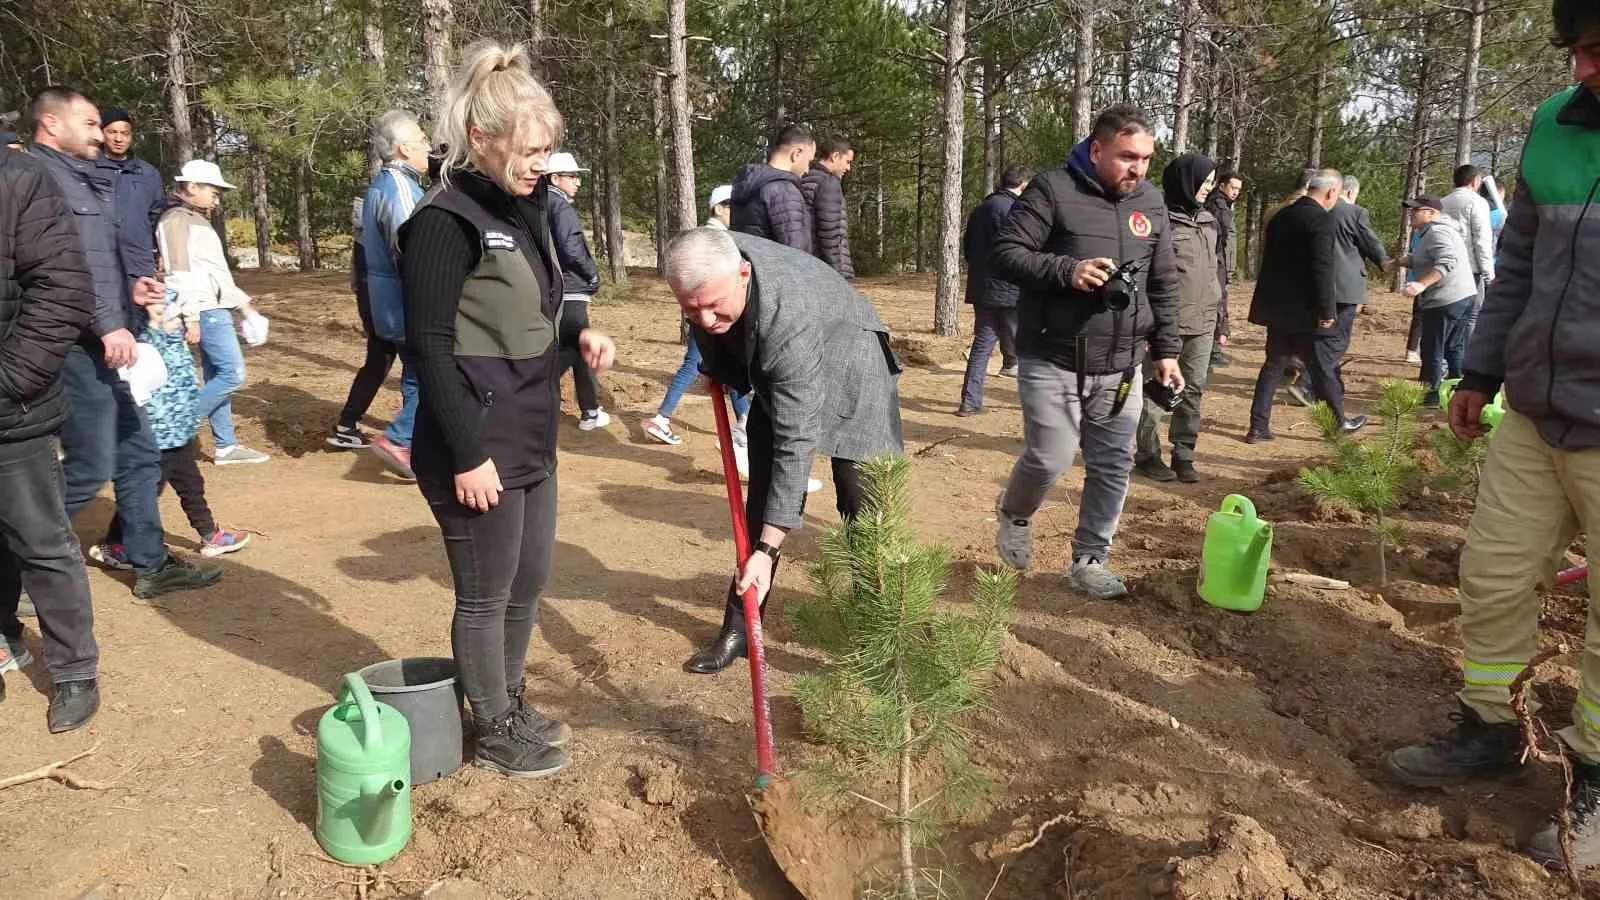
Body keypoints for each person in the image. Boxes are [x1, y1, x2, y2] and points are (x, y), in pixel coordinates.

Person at [1384, 0, 1600, 866]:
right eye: (1576, 50)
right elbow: (1519, 266)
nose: (1580, 69)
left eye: (1596, 50)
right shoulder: (1553, 123)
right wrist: (1480, 371)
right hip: (1538, 414)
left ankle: (1594, 785)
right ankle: (1491, 726)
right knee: (1495, 572)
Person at [400, 41, 616, 777]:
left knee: (529, 583)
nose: (542, 164)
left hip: (530, 430)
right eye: (529, 150)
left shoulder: (527, 211)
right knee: (485, 594)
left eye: (548, 150)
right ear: (482, 139)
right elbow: (427, 347)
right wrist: (466, 455)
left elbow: (535, 310)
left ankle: (510, 700)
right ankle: (490, 726)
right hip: (475, 443)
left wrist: (580, 332)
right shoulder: (441, 221)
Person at [667, 228, 903, 674]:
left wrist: (770, 549)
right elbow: (709, 319)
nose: (706, 319)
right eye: (691, 310)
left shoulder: (787, 314)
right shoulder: (706, 260)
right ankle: (739, 628)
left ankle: (879, 639)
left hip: (854, 365)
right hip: (785, 363)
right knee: (759, 505)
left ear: (743, 273)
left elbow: (795, 444)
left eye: (715, 307)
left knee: (862, 506)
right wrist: (716, 363)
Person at [23, 86, 222, 603]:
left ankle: (150, 563)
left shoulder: (81, 179)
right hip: (69, 343)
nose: (101, 134)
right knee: (89, 462)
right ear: (50, 123)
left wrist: (133, 289)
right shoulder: (39, 179)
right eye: (89, 124)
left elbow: (100, 255)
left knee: (138, 449)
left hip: (108, 333)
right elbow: (63, 271)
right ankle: (18, 572)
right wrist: (106, 322)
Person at [988, 104, 1183, 600]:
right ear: (1097, 150)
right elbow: (1006, 252)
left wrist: (1166, 350)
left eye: (1145, 159)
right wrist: (1066, 271)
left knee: (1113, 464)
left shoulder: (1153, 202)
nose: (1137, 169)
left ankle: (1090, 559)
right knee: (1051, 457)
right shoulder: (1054, 189)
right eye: (1126, 157)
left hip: (1121, 364)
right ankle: (1015, 512)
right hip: (1052, 356)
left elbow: (1163, 282)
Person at [0, 146, 101, 731]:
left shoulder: (17, 180)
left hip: (11, 411)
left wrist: (10, 379)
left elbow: (62, 287)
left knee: (41, 542)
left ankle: (73, 670)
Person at [94, 291, 252, 560]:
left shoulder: (173, 339)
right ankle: (114, 543)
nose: (173, 319)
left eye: (174, 313)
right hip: (158, 431)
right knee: (146, 488)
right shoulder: (143, 344)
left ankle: (209, 534)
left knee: (191, 484)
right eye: (163, 313)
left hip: (179, 428)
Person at [157, 158, 269, 468]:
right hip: (204, 310)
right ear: (191, 187)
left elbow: (218, 275)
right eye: (213, 191)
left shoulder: (196, 220)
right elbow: (179, 273)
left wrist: (247, 309)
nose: (217, 198)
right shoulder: (176, 221)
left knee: (217, 375)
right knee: (232, 374)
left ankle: (226, 445)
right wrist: (190, 315)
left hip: (212, 307)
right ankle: (172, 430)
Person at [1245, 168, 1367, 442]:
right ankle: (1339, 423)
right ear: (1332, 192)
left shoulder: (1281, 215)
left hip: (1277, 306)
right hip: (1306, 311)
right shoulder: (1321, 220)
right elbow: (1322, 269)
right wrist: (1327, 311)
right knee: (1322, 367)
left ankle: (1257, 427)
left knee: (1273, 366)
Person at [1134, 152, 1220, 484]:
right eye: (1204, 182)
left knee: (1194, 389)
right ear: (1185, 180)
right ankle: (1147, 454)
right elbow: (1146, 275)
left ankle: (1184, 453)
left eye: (1212, 183)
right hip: (1164, 324)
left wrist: (1220, 318)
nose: (1208, 189)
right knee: (1157, 390)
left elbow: (1215, 272)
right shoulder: (1159, 220)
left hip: (1204, 322)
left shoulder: (1209, 221)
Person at [645, 184, 752, 447]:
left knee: (724, 367)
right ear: (718, 208)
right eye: (731, 206)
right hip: (708, 316)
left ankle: (744, 423)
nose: (736, 212)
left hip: (710, 315)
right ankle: (662, 418)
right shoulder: (712, 240)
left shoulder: (723, 237)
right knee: (693, 363)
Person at [363, 110, 429, 480]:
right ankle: (399, 438)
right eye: (422, 141)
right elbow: (414, 251)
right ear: (403, 148)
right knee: (433, 374)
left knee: (415, 375)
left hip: (390, 301)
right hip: (407, 301)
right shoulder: (400, 188)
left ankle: (413, 443)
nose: (428, 147)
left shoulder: (383, 185)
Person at [1385, 196, 1477, 407]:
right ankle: (1457, 390)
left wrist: (1421, 284)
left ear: (1432, 213)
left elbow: (1447, 261)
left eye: (1416, 210)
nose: (1411, 214)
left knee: (1432, 348)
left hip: (1447, 298)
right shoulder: (1432, 232)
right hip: (1463, 295)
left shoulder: (1437, 232)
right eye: (1411, 210)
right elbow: (1424, 258)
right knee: (1454, 347)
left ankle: (1431, 395)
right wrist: (1399, 262)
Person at [956, 165, 1032, 416]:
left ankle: (969, 401)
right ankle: (1036, 406)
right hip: (1010, 288)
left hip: (983, 287)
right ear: (1022, 185)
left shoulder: (979, 210)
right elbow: (1023, 249)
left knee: (982, 344)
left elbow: (968, 247)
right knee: (1026, 344)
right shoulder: (1016, 210)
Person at [545, 151, 610, 431]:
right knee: (574, 349)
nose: (577, 182)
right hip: (571, 289)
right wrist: (592, 275)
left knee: (574, 348)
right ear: (555, 178)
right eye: (572, 176)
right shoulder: (559, 207)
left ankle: (590, 410)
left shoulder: (538, 205)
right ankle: (529, 396)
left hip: (555, 290)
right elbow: (571, 248)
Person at [328, 193, 398, 449]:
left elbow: (357, 282)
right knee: (413, 366)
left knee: (378, 361)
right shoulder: (376, 238)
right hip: (387, 307)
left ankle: (347, 424)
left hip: (373, 306)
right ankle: (406, 435)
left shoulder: (363, 240)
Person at [1326, 174, 1390, 392]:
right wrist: (1385, 262)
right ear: (1351, 192)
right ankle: (1308, 384)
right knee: (1338, 339)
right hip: (1345, 287)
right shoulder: (1354, 212)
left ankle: (1326, 383)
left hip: (1318, 283)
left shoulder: (1321, 208)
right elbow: (1370, 241)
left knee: (1322, 333)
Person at [99, 109, 164, 291]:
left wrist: (156, 253)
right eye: (112, 132)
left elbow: (156, 217)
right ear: (102, 133)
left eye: (125, 133)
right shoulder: (88, 169)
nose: (119, 139)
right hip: (99, 265)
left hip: (137, 265)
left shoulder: (148, 174)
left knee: (139, 317)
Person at [730, 125, 814, 252]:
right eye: (809, 161)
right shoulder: (784, 191)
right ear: (797, 153)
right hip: (774, 270)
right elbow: (796, 255)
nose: (807, 170)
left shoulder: (748, 184)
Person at [1440, 163, 1496, 334]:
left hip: (1445, 264)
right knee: (1471, 315)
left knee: (1445, 312)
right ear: (1475, 181)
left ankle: (1442, 357)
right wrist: (1488, 271)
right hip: (1470, 268)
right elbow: (1481, 239)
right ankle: (1462, 356)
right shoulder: (1477, 202)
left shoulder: (1442, 202)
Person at [799, 135, 854, 277]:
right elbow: (829, 235)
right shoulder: (828, 183)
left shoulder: (803, 178)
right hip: (825, 270)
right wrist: (837, 275)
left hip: (808, 264)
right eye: (847, 162)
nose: (848, 168)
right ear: (835, 156)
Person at [1204, 170, 1241, 367]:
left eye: (1238, 189)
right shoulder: (1219, 206)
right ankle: (1212, 352)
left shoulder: (1223, 205)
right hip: (1217, 265)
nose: (1235, 192)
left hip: (1220, 265)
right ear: (1222, 185)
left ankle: (1213, 350)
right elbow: (1222, 239)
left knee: (1219, 306)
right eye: (1233, 187)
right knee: (1217, 307)